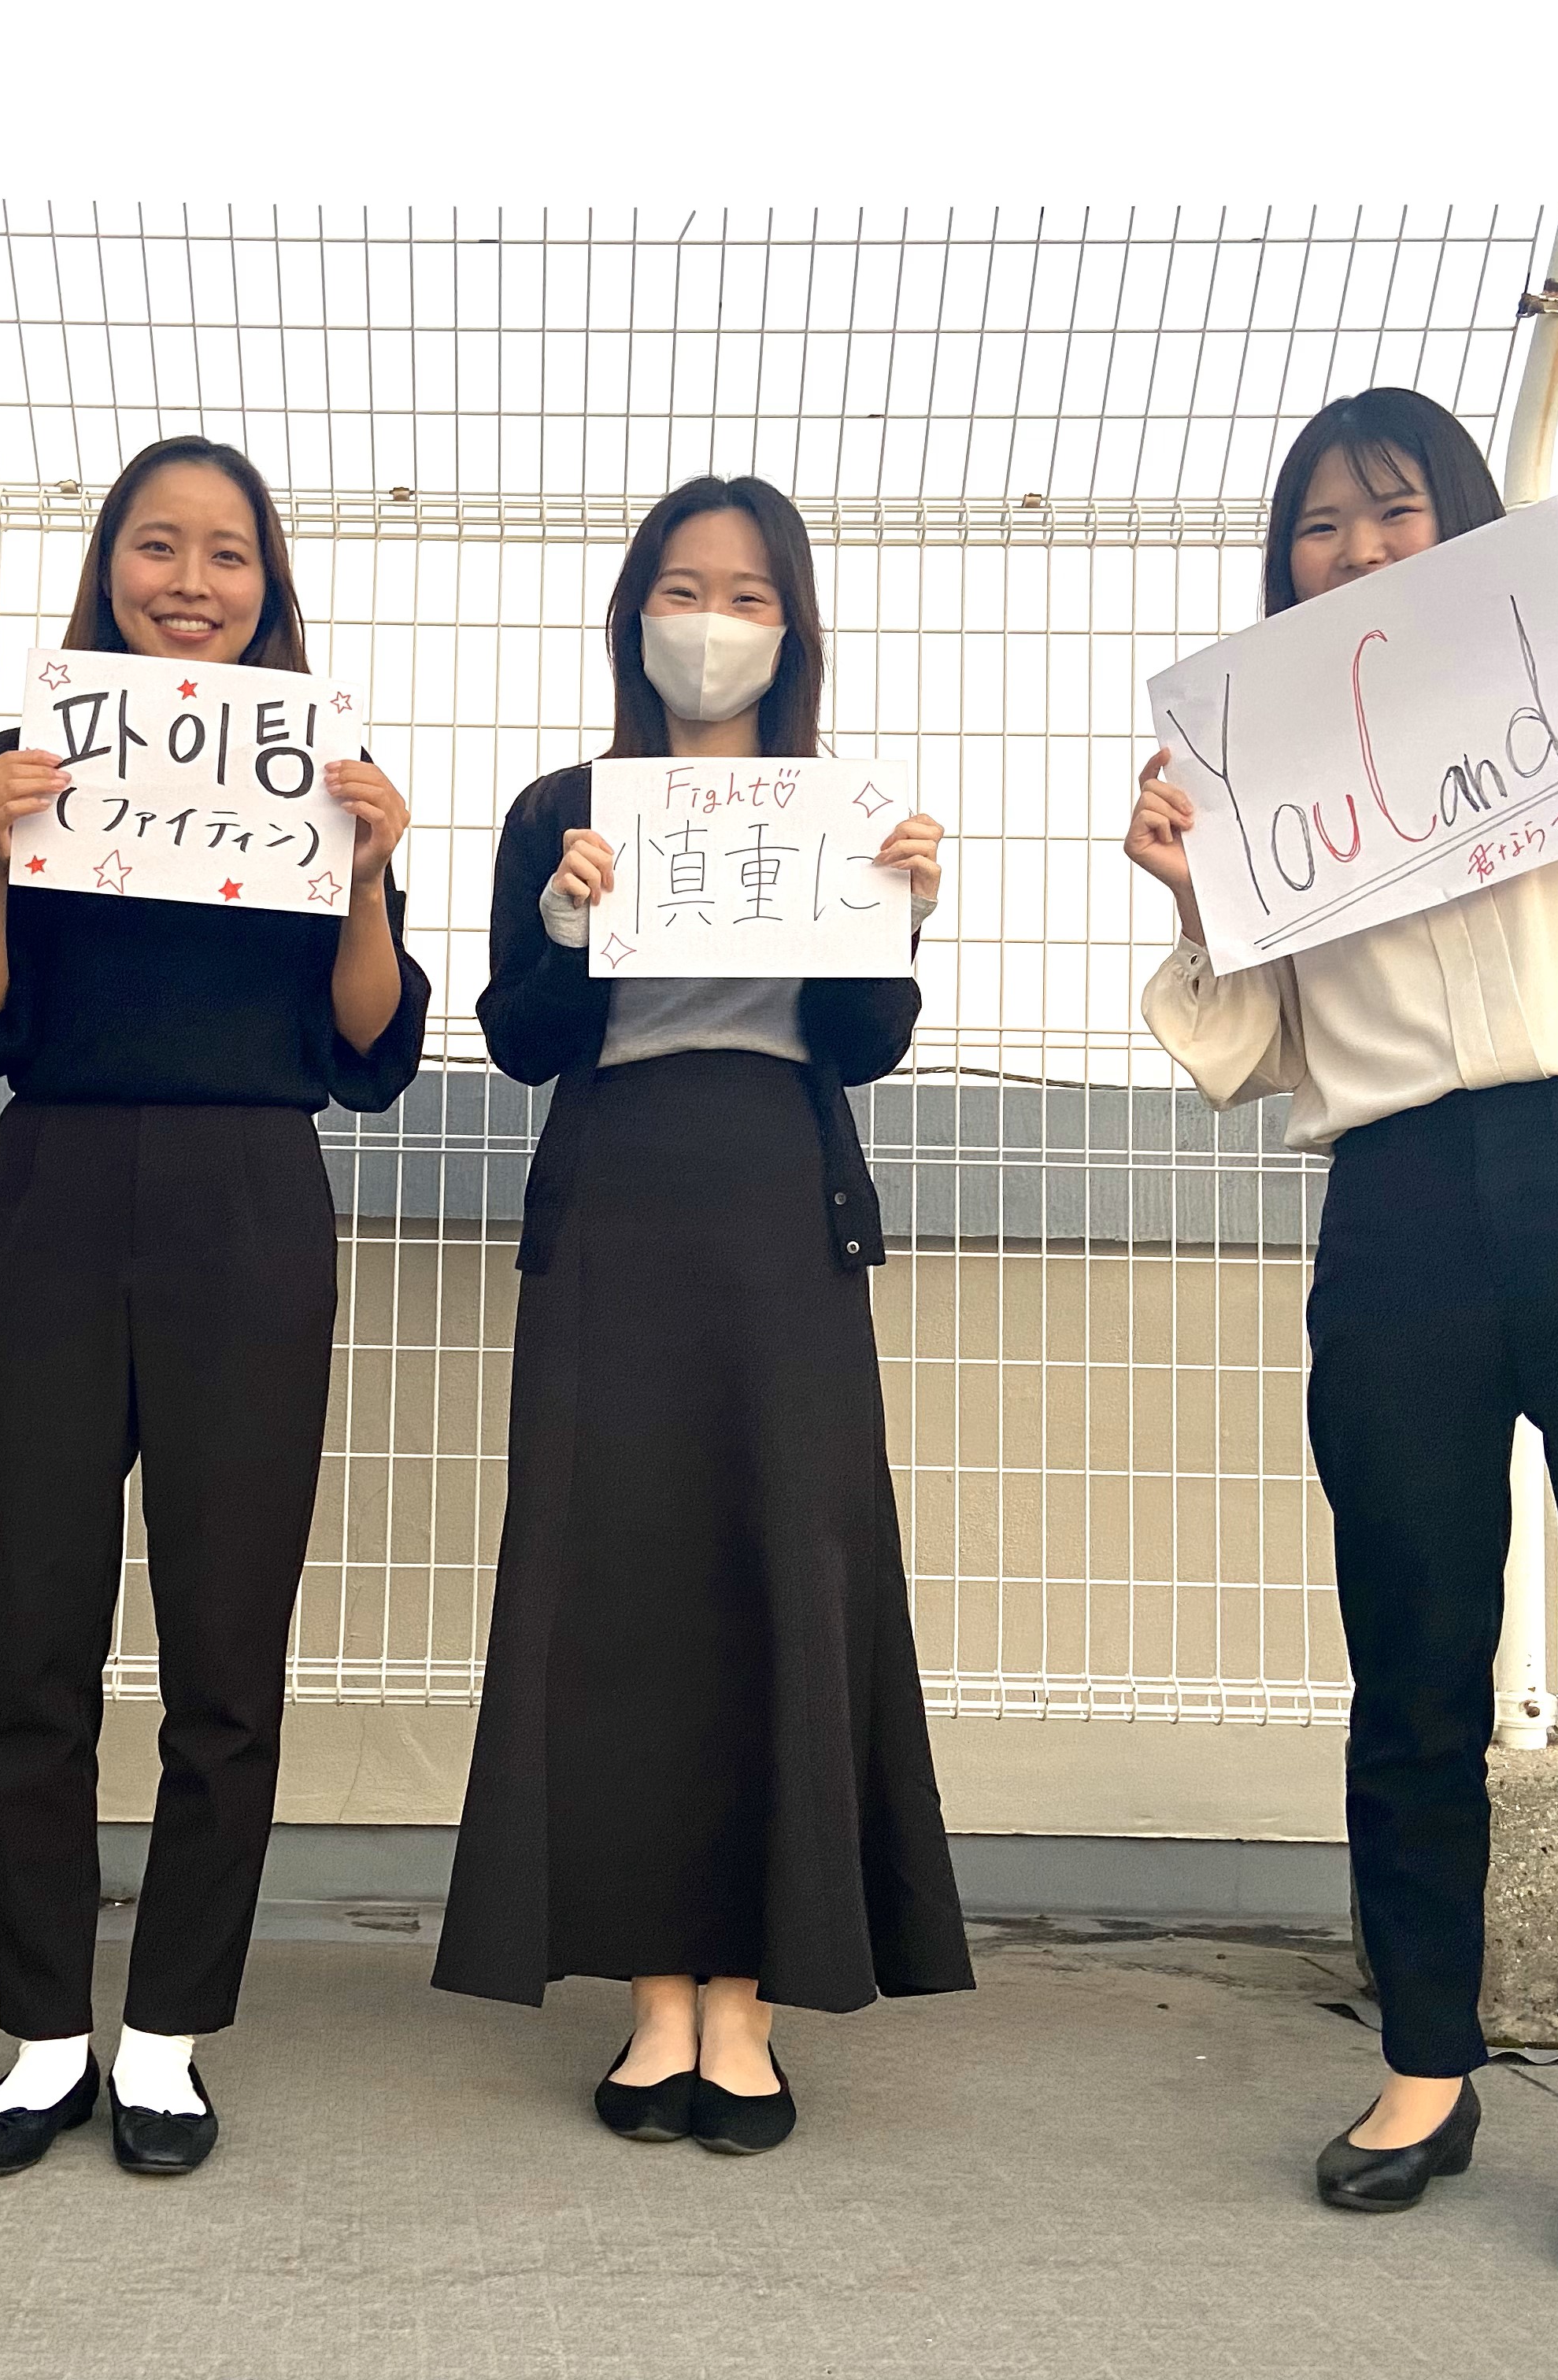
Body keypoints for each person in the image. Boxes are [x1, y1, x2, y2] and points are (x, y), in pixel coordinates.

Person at [1126, 389, 1558, 2276]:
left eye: (1396, 511)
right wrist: (1199, 899)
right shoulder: (1269, 764)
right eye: (1320, 525)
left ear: (1470, 523)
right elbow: (1244, 1052)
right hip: (1401, 1204)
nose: (1358, 551)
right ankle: (1425, 2067)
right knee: (1411, 1662)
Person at [0, 435, 427, 2179]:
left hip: (250, 1198)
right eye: (157, 545)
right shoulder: (28, 763)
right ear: (107, 565)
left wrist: (366, 871)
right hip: (52, 1188)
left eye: (227, 553)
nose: (192, 582)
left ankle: (171, 2034)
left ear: (271, 585)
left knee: (225, 1644)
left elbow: (368, 1047)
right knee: (35, 1636)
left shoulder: (320, 778)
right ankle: (44, 2034)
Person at [430, 475, 973, 2155]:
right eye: (682, 588)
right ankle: (654, 1992)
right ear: (634, 614)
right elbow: (521, 1039)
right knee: (621, 1587)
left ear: (790, 627)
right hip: (615, 1203)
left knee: (781, 1568)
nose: (712, 621)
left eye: (747, 594)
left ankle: (748, 1995)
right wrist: (562, 922)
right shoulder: (562, 806)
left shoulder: (842, 805)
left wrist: (900, 914)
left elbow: (861, 1046)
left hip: (780, 1206)